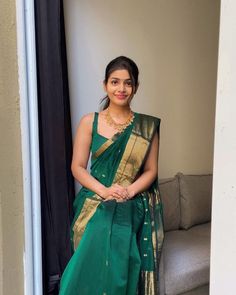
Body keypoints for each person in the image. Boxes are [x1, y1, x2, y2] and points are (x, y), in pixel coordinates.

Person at [59, 56, 165, 295]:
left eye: (128, 83)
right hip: (96, 198)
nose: (121, 88)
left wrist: (128, 191)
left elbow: (151, 171)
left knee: (117, 234)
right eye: (115, 82)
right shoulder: (89, 122)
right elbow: (77, 167)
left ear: (135, 87)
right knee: (100, 226)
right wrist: (105, 191)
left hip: (131, 199)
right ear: (105, 84)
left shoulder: (146, 128)